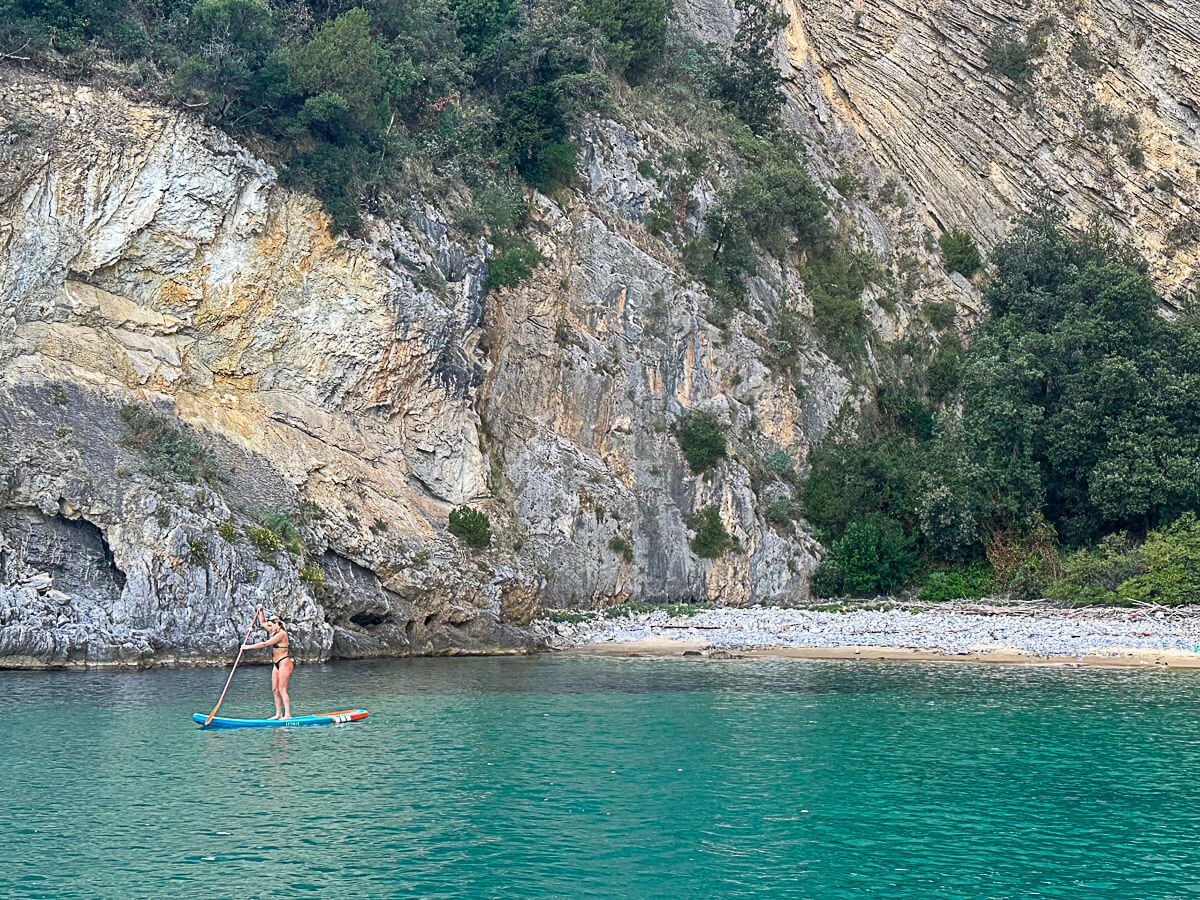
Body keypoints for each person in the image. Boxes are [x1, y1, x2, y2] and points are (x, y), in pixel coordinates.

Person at [242, 612, 294, 720]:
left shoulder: (281, 634)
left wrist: (247, 647)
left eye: (271, 625)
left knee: (282, 689)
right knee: (274, 689)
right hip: (276, 664)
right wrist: (260, 611)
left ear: (278, 624)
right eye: (269, 625)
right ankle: (278, 714)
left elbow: (265, 644)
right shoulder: (273, 630)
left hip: (284, 662)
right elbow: (262, 622)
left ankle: (288, 714)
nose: (269, 627)